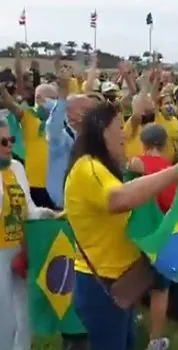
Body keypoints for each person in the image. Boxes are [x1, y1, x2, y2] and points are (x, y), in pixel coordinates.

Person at [64, 102, 178, 349]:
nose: (125, 136)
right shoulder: (89, 167)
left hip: (118, 283)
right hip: (102, 287)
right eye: (119, 127)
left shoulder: (99, 167)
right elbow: (121, 199)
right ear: (102, 131)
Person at [0, 117, 56, 350]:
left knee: (24, 312)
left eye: (11, 140)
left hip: (19, 248)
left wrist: (48, 214)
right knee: (4, 316)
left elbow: (28, 208)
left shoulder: (17, 167)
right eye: (3, 142)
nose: (9, 145)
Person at [127, 124, 176, 350]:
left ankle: (133, 318)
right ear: (165, 144)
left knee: (134, 280)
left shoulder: (133, 164)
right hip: (160, 237)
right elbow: (172, 206)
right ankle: (155, 341)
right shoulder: (171, 170)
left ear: (143, 144)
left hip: (134, 234)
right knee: (160, 289)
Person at [44, 69, 95, 209]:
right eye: (87, 111)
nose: (92, 116)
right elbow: (53, 126)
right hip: (59, 208)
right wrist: (62, 97)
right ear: (71, 113)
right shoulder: (61, 138)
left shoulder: (90, 138)